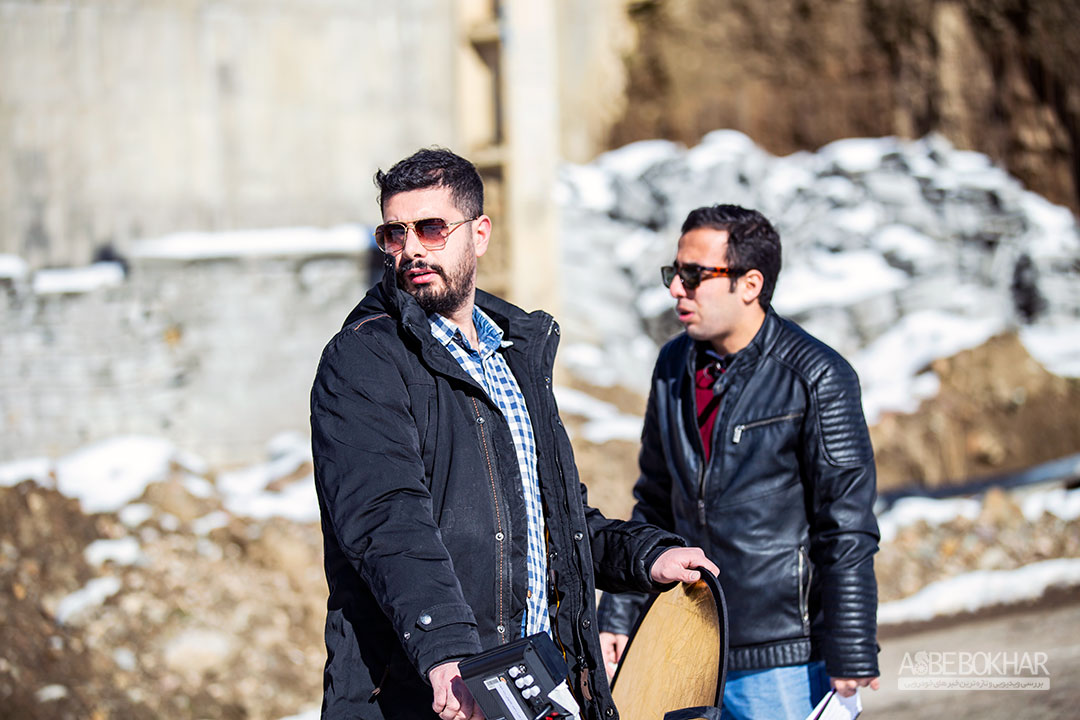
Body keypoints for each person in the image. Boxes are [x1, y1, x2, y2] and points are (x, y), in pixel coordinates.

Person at [310, 148, 718, 720]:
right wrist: (447, 652)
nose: (412, 249)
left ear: (479, 234)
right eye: (394, 233)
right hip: (433, 694)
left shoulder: (513, 356)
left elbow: (555, 522)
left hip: (536, 686)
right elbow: (387, 521)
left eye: (431, 228)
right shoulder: (363, 359)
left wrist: (646, 555)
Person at [597, 205, 880, 720]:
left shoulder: (817, 376)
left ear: (750, 284)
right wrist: (619, 608)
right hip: (686, 641)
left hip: (784, 658)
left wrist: (852, 644)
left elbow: (845, 525)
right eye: (674, 273)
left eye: (693, 275)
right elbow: (655, 500)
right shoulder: (672, 365)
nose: (676, 289)